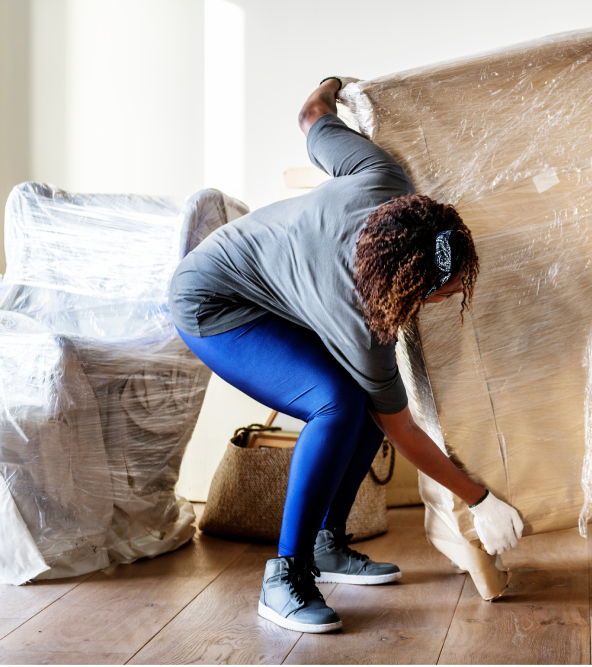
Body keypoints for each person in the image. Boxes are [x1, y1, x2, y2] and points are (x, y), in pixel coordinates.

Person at [169, 76, 523, 634]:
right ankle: (286, 575)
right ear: (409, 292)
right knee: (337, 404)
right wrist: (479, 500)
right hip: (214, 303)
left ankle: (329, 543)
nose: (453, 298)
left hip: (278, 292)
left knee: (357, 404)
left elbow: (312, 114)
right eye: (445, 294)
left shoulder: (386, 179)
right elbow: (401, 428)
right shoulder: (362, 319)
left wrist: (334, 82)